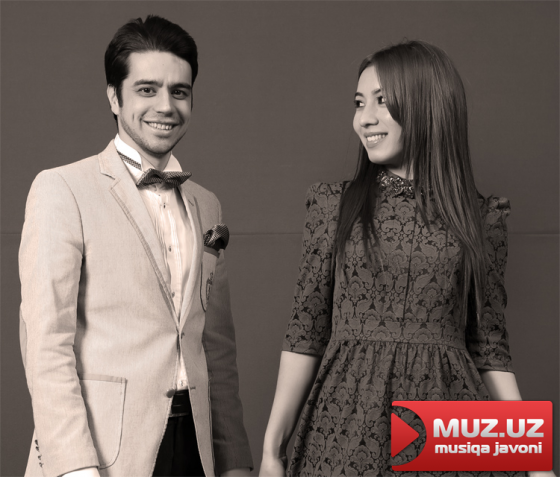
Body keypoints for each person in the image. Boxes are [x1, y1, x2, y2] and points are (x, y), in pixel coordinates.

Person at [260, 41, 555, 477]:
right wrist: (272, 451)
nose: (365, 118)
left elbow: (489, 348)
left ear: (428, 105)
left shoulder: (481, 217)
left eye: (382, 101)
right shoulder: (332, 206)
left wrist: (536, 462)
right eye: (359, 103)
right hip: (345, 425)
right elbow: (306, 332)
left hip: (446, 426)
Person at [19, 15, 252, 477]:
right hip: (102, 453)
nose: (166, 105)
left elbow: (216, 349)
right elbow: (45, 344)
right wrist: (74, 468)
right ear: (114, 96)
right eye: (147, 89)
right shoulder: (62, 189)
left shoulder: (207, 204)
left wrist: (234, 463)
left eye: (179, 91)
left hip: (196, 449)